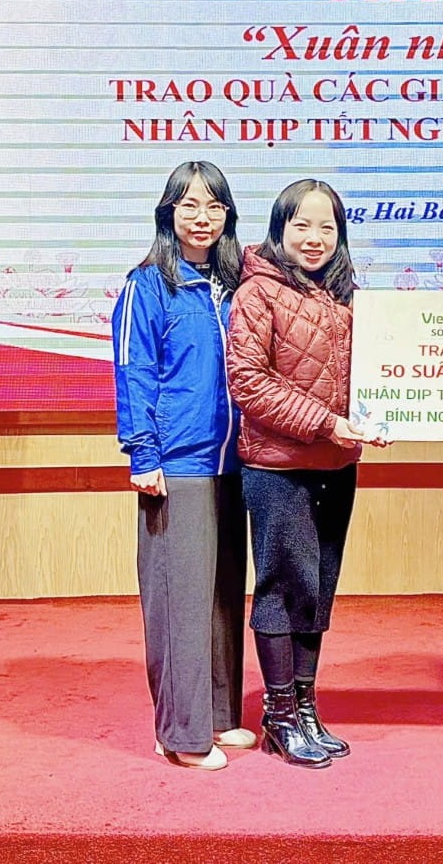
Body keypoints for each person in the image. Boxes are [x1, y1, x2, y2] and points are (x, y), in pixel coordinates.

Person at [225, 178, 385, 768]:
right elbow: (247, 382)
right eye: (302, 225)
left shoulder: (346, 297)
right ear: (280, 229)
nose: (314, 238)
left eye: (327, 227)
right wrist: (326, 423)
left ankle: (306, 707)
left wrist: (387, 412)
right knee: (283, 587)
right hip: (278, 466)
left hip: (335, 464)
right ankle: (279, 714)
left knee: (317, 588)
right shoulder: (257, 293)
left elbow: (375, 375)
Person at [112, 161, 255, 771]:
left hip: (233, 463)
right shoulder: (147, 286)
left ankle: (216, 716)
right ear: (168, 212)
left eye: (214, 206)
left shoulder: (234, 287)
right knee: (180, 603)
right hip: (178, 463)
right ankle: (182, 735)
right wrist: (143, 453)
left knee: (221, 599)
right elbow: (134, 371)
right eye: (189, 205)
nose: (202, 218)